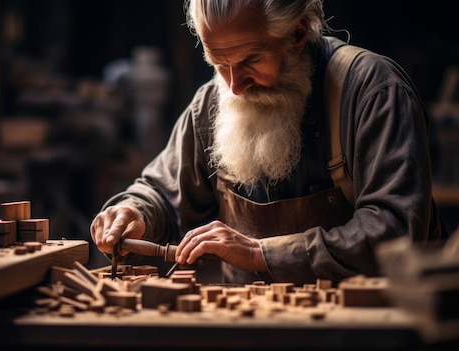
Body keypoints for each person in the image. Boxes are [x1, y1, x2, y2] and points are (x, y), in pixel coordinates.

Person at [90, 0, 447, 286]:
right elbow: (163, 194)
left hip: (367, 330)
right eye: (219, 63)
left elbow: (397, 232)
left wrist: (262, 254)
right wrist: (135, 212)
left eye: (250, 60)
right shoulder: (213, 102)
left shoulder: (373, 91)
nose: (234, 86)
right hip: (250, 331)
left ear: (298, 34)